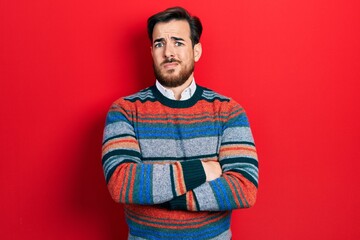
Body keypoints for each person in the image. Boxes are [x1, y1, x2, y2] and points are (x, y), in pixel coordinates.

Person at [102, 6, 259, 240]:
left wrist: (158, 194)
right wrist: (204, 170)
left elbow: (244, 188)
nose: (168, 52)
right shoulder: (124, 110)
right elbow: (121, 183)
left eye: (178, 42)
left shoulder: (228, 111)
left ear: (196, 51)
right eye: (159, 44)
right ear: (151, 51)